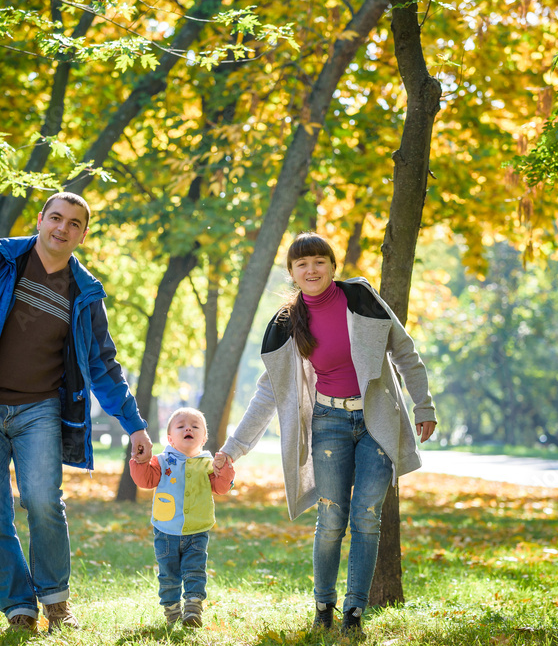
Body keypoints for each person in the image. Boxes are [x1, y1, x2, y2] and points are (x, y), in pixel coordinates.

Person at [0, 192, 153, 634]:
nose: (62, 228)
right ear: (41, 220)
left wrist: (134, 424)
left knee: (44, 502)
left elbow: (104, 364)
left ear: (83, 235)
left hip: (40, 411)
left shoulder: (85, 293)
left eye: (73, 223)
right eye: (56, 218)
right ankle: (19, 608)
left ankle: (55, 601)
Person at [213, 232, 436, 636]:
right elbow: (269, 391)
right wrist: (233, 448)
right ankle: (323, 607)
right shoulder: (286, 323)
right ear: (293, 273)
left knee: (367, 517)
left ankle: (354, 614)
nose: (312, 269)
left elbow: (405, 351)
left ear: (333, 266)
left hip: (376, 422)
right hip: (328, 423)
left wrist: (424, 406)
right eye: (302, 264)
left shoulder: (361, 298)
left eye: (319, 261)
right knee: (332, 518)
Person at [130, 408, 235, 628]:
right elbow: (146, 481)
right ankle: (171, 610)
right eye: (181, 426)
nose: (188, 428)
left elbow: (221, 488)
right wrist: (140, 463)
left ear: (204, 438)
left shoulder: (209, 464)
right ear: (170, 438)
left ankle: (193, 607)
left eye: (195, 426)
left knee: (195, 569)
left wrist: (224, 471)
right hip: (166, 530)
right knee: (168, 574)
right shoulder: (161, 461)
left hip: (197, 530)